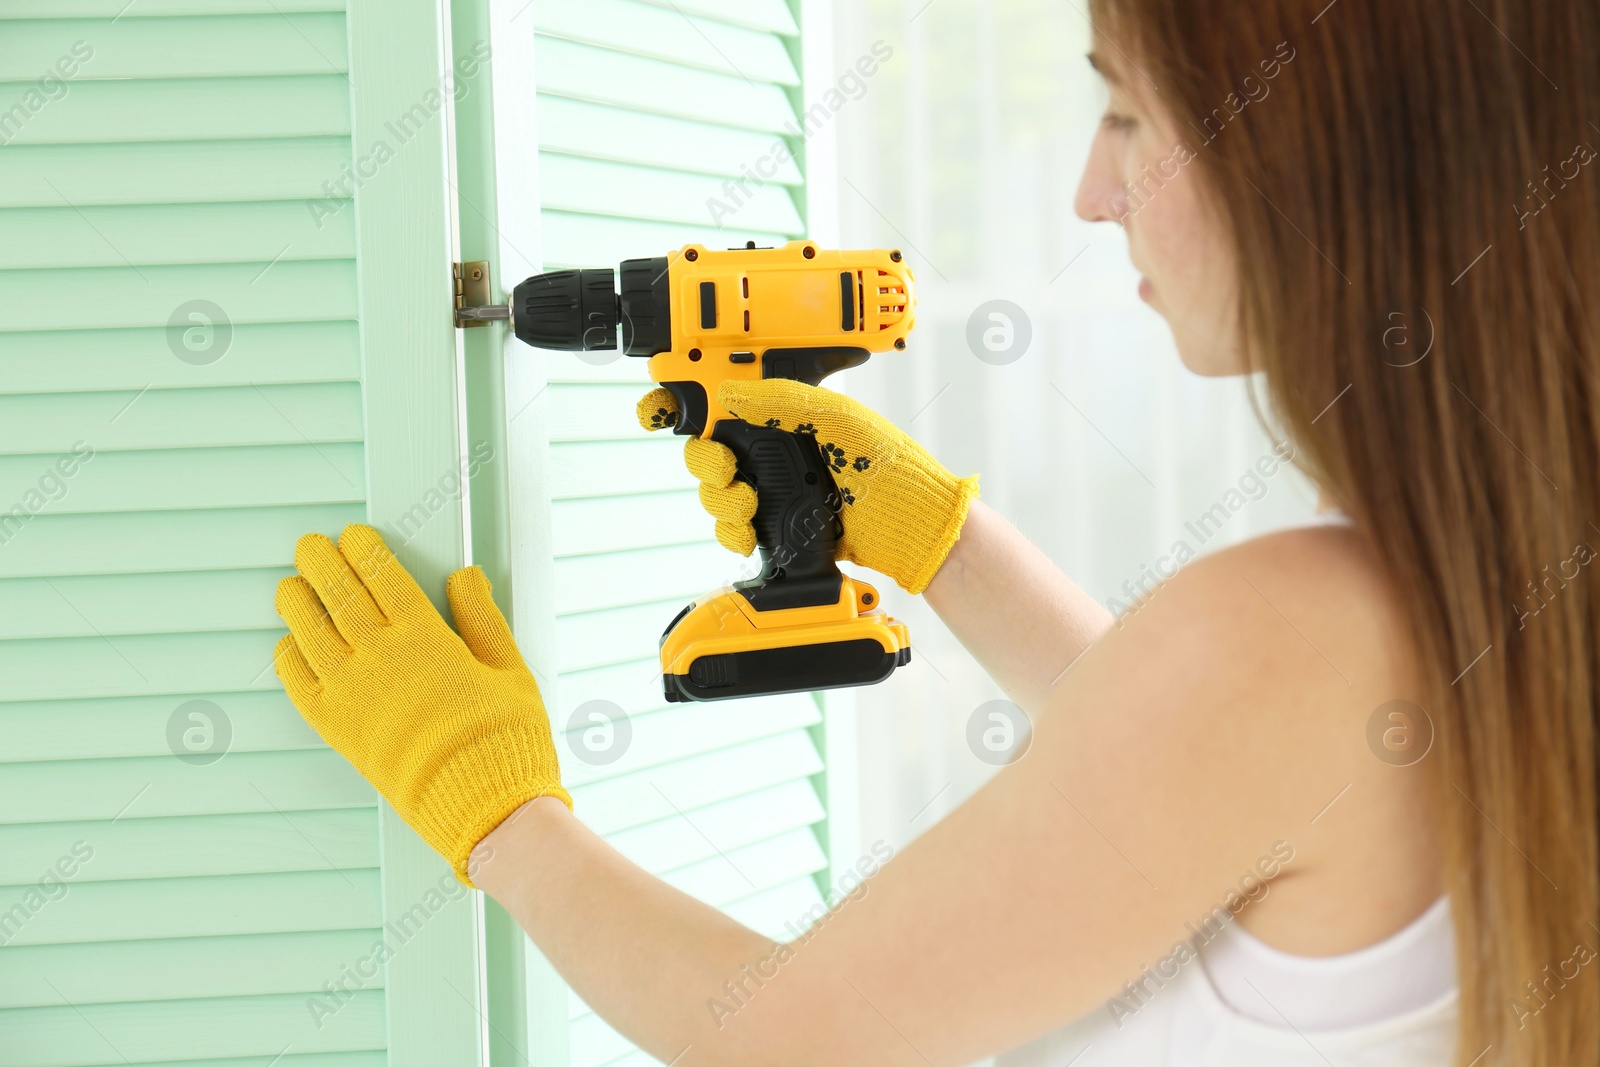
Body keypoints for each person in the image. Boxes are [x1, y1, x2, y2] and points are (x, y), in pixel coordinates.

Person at [271, 1, 1599, 1063]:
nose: (1094, 188)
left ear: (1324, 158)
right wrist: (942, 545)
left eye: (1130, 114)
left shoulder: (1298, 631)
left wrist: (493, 804)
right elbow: (1196, 794)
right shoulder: (1485, 575)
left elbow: (779, 1042)